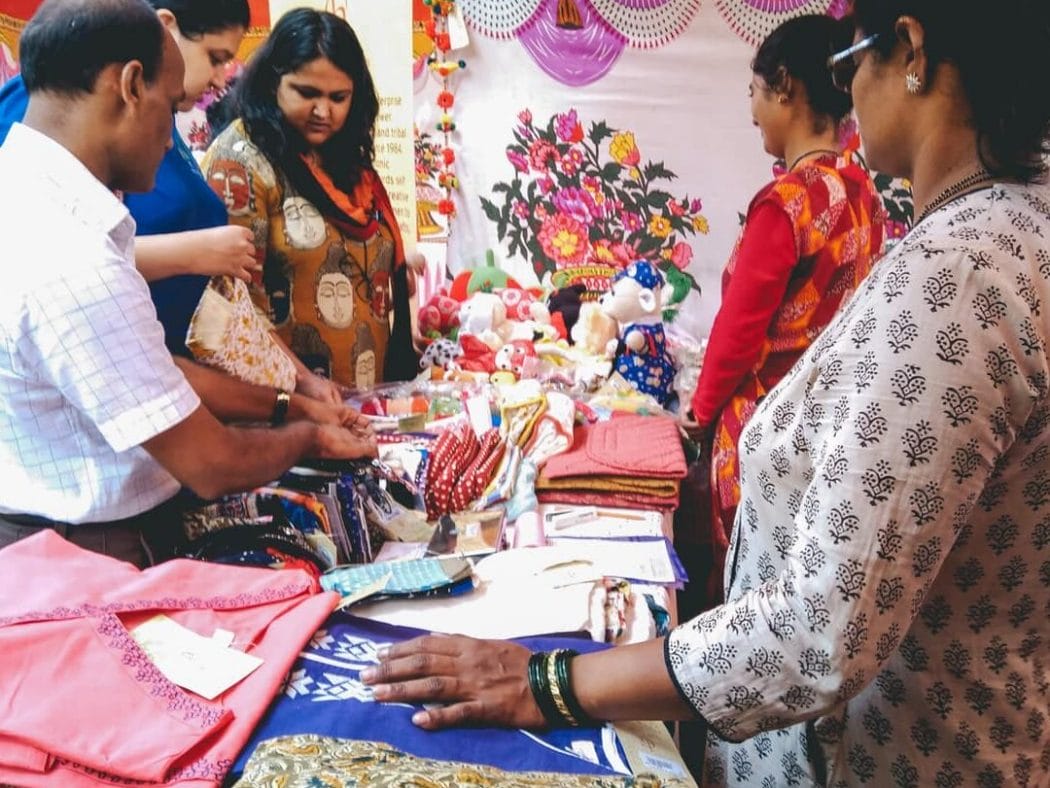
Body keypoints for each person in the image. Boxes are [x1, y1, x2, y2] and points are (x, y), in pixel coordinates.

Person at [362, 1, 1050, 785]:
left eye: (856, 60)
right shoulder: (1008, 231)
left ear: (912, 51)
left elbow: (814, 632)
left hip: (887, 753)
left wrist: (543, 683)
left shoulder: (955, 279)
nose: (853, 91)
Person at [0, 0, 376, 569]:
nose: (177, 139)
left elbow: (158, 371)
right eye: (174, 107)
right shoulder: (75, 259)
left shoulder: (34, 201)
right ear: (130, 85)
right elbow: (213, 461)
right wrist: (310, 435)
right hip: (93, 554)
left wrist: (291, 404)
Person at [682, 14, 885, 609]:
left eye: (754, 91)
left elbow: (738, 335)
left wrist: (698, 414)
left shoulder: (786, 205)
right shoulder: (860, 190)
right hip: (833, 431)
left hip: (763, 436)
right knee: (804, 598)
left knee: (749, 604)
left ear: (786, 89)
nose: (751, 111)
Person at [202, 8, 417, 391]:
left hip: (362, 403)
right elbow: (234, 305)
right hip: (287, 408)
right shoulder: (242, 159)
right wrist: (302, 388)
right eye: (307, 93)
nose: (323, 111)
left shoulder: (346, 161)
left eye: (339, 97)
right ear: (273, 83)